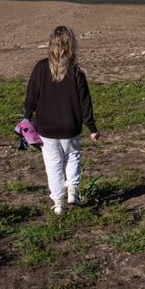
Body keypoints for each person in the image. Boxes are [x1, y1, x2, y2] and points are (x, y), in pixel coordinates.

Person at [24, 25, 99, 214]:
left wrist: (27, 117)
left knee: (53, 164)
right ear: (71, 46)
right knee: (73, 156)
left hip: (46, 127)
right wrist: (91, 127)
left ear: (50, 44)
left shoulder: (41, 68)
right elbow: (85, 102)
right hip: (70, 126)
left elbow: (31, 96)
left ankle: (58, 203)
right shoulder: (76, 71)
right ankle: (73, 191)